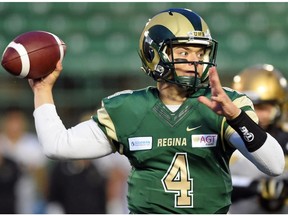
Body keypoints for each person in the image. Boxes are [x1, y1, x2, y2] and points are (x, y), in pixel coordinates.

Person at [28, 8, 285, 213]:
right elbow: (57, 146)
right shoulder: (128, 107)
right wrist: (42, 90)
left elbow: (273, 165)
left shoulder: (227, 103)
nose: (195, 61)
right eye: (184, 51)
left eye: (200, 52)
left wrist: (236, 117)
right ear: (154, 54)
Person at [229, 64, 288, 213]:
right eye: (248, 107)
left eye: (261, 108)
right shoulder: (228, 136)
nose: (254, 114)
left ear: (278, 107)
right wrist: (256, 187)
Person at [0, 107, 48, 213]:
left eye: (17, 121)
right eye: (11, 121)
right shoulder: (1, 142)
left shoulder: (33, 143)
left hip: (27, 196)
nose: (14, 125)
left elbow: (41, 175)